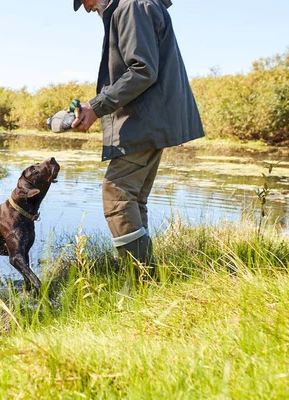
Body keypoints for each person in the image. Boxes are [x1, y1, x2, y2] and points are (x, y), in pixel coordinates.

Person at [71, 0, 205, 279]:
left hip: (146, 119)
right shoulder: (130, 6)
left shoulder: (131, 6)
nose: (86, 9)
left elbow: (142, 70)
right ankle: (146, 282)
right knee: (133, 199)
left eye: (86, 2)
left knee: (116, 194)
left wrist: (95, 108)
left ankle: (141, 280)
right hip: (149, 119)